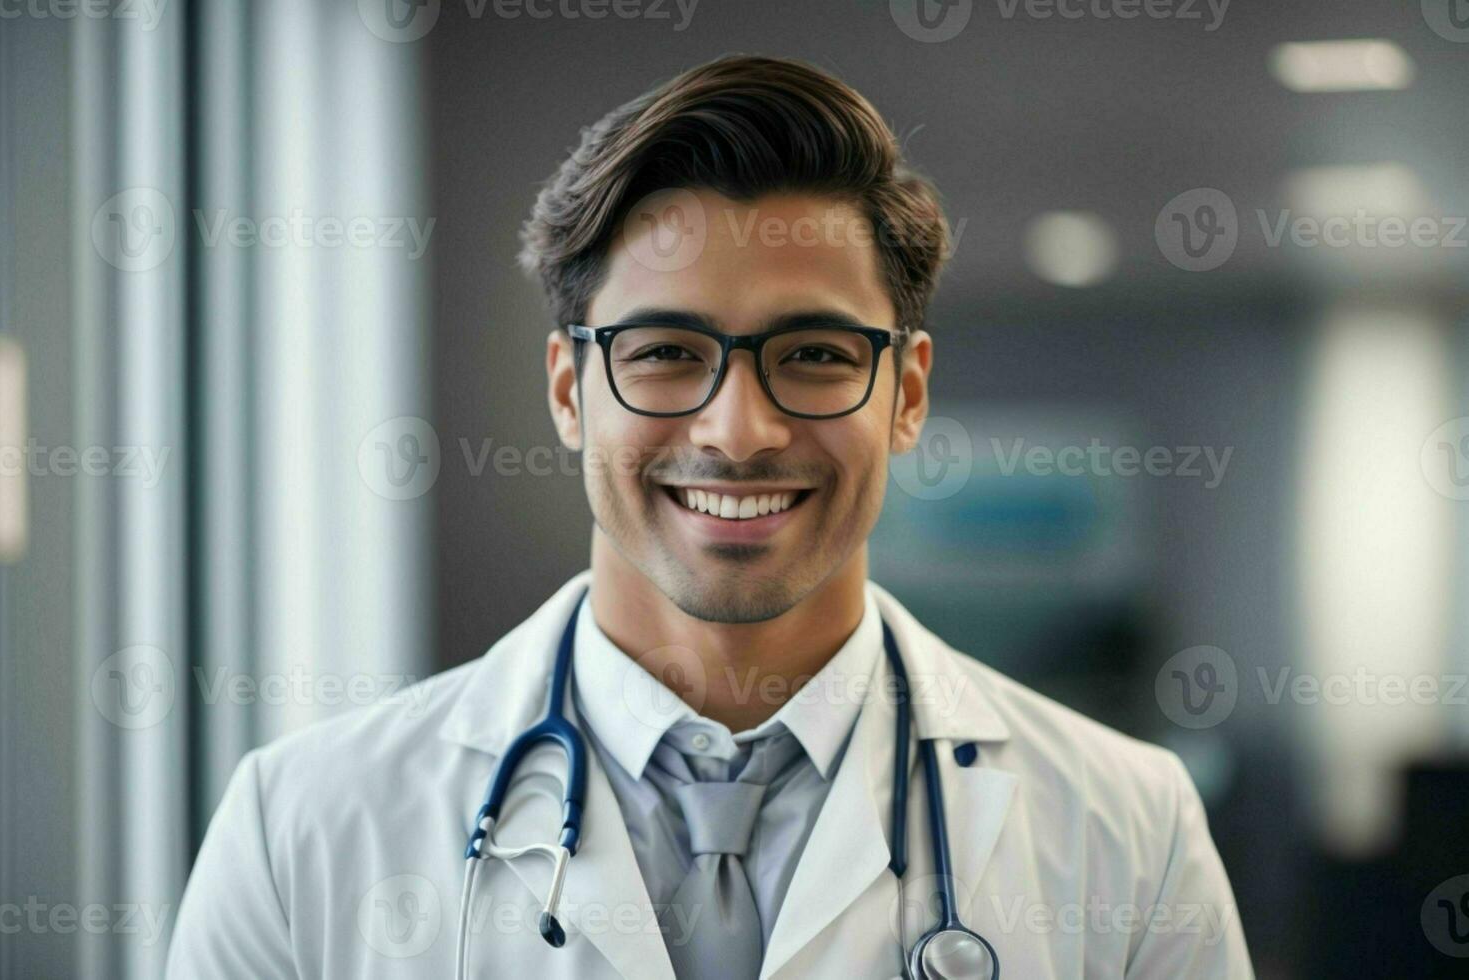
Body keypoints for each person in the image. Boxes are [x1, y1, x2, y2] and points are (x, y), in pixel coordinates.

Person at [167, 54, 1253, 979]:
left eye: (817, 355)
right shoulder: (300, 828)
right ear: (566, 389)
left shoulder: (1130, 833)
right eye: (666, 353)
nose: (739, 430)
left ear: (909, 392)